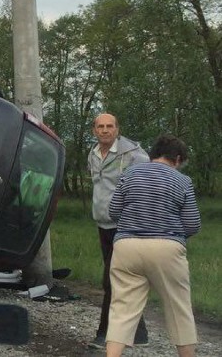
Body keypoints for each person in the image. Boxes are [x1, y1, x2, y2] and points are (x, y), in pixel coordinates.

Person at [106, 134, 201, 357]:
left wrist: (132, 225)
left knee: (122, 309)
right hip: (166, 247)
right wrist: (176, 236)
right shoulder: (182, 181)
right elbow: (193, 223)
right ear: (177, 159)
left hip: (126, 246)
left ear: (153, 154)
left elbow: (113, 211)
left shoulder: (129, 174)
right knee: (179, 308)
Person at [86, 112, 149, 350]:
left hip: (124, 227)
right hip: (103, 225)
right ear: (94, 130)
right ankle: (139, 331)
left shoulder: (134, 155)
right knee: (118, 279)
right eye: (100, 127)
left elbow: (146, 188)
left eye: (109, 126)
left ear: (117, 129)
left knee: (111, 280)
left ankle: (105, 334)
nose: (105, 130)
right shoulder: (93, 153)